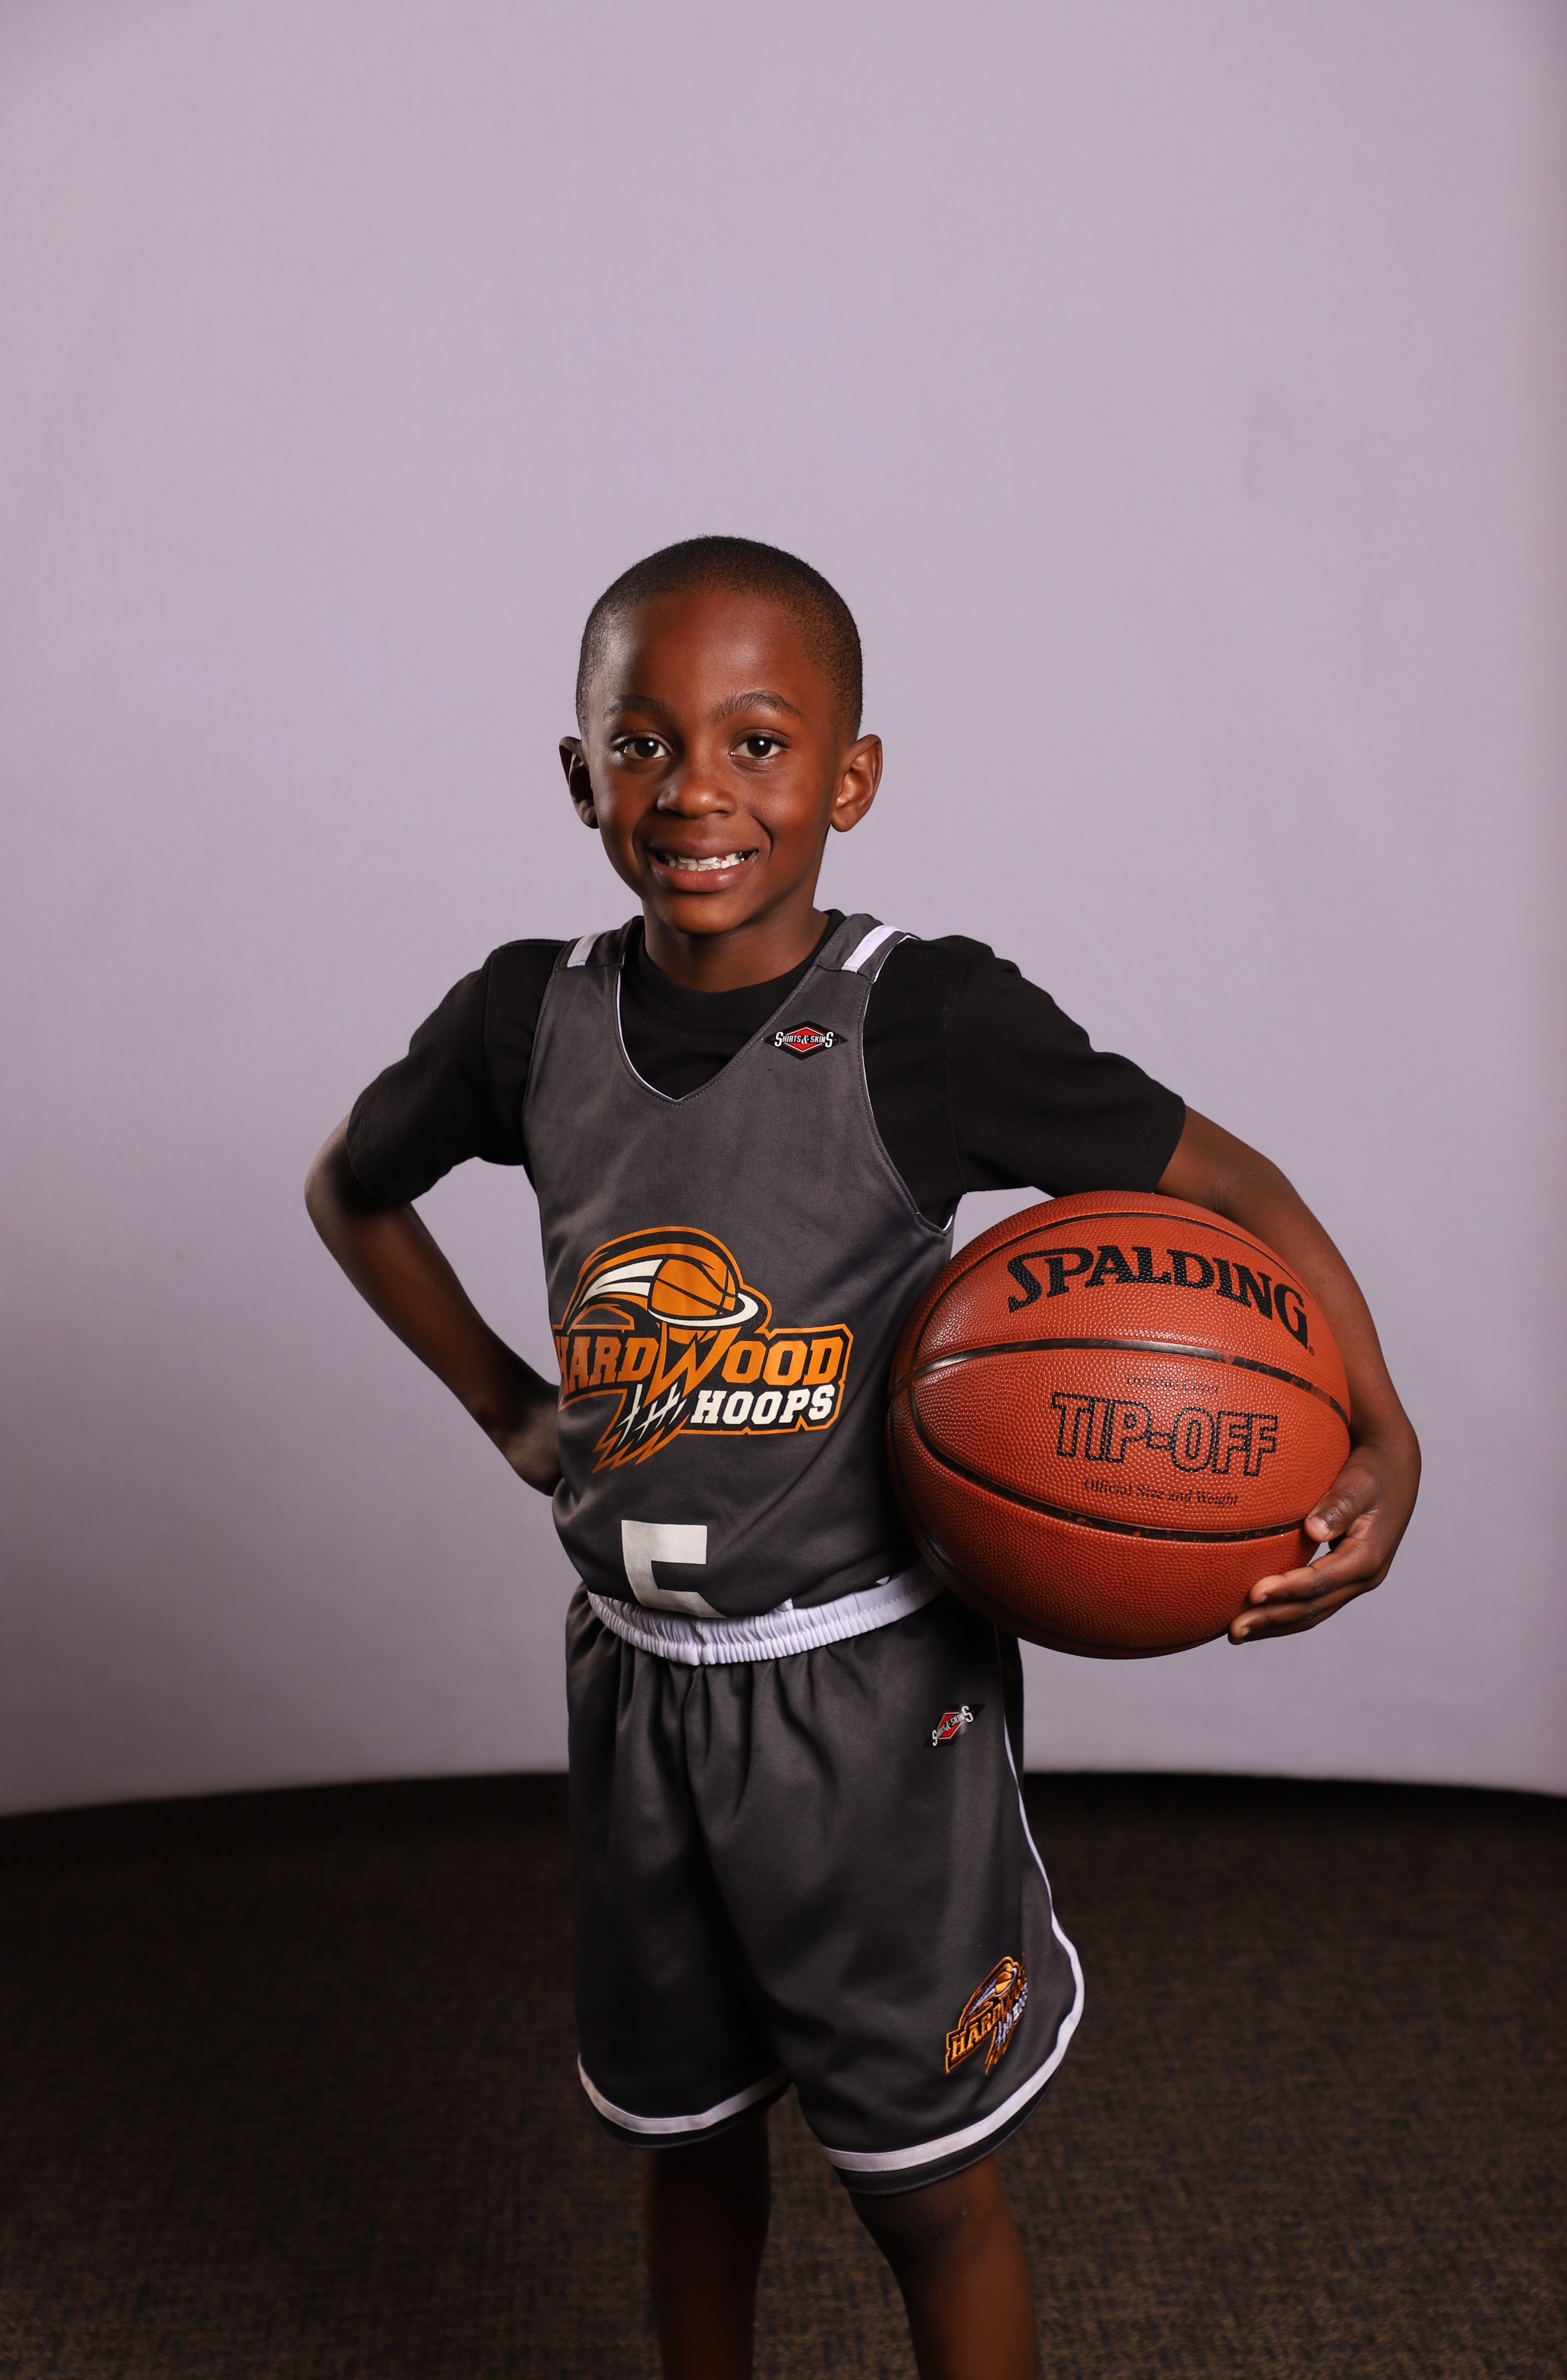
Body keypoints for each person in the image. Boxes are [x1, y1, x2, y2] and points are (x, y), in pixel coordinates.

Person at [306, 537, 1419, 2380]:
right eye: (645, 743)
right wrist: (510, 1403)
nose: (697, 792)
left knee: (921, 2184)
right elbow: (353, 1189)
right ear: (579, 774)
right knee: (685, 2137)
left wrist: (1385, 1429)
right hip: (639, 1681)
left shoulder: (926, 1020)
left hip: (868, 1697)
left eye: (757, 744)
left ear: (851, 778)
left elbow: (1237, 1188)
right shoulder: (526, 1017)